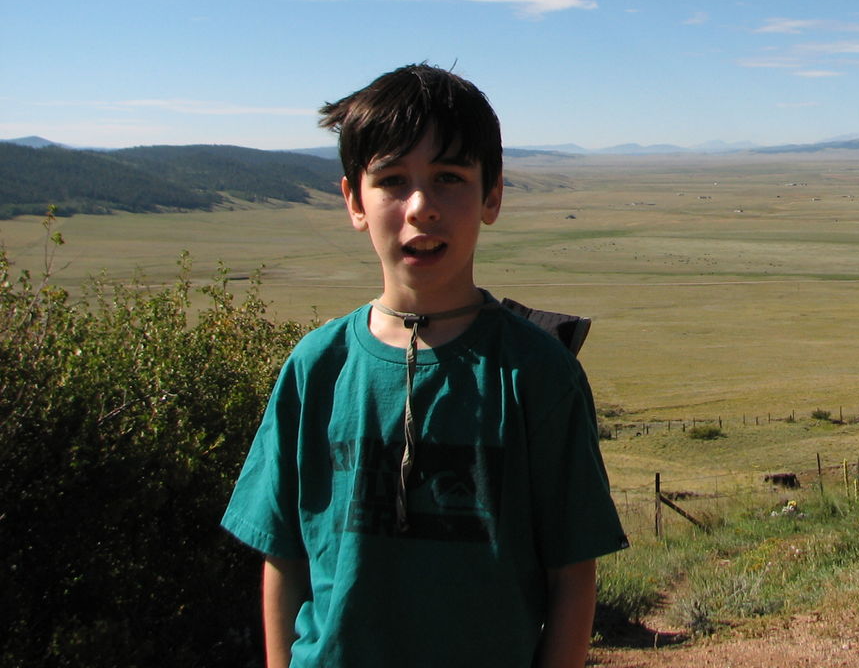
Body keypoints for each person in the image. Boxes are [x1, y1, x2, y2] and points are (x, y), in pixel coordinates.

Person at [221, 64, 627, 668]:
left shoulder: (536, 373)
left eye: (449, 178)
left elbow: (573, 572)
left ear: (492, 196)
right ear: (354, 200)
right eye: (391, 180)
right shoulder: (316, 368)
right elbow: (284, 557)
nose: (421, 207)